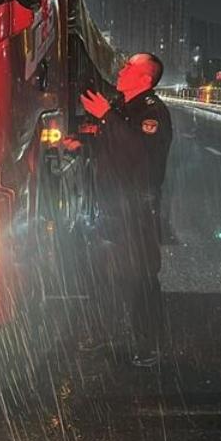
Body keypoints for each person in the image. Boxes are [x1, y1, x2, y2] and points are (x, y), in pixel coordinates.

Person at [63, 53, 172, 367]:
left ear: (145, 79)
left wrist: (107, 117)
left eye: (129, 66)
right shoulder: (123, 107)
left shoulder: (152, 112)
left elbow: (139, 154)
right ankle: (100, 333)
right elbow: (113, 148)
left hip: (136, 210)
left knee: (140, 278)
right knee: (101, 274)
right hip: (109, 204)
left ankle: (148, 344)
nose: (122, 69)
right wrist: (84, 145)